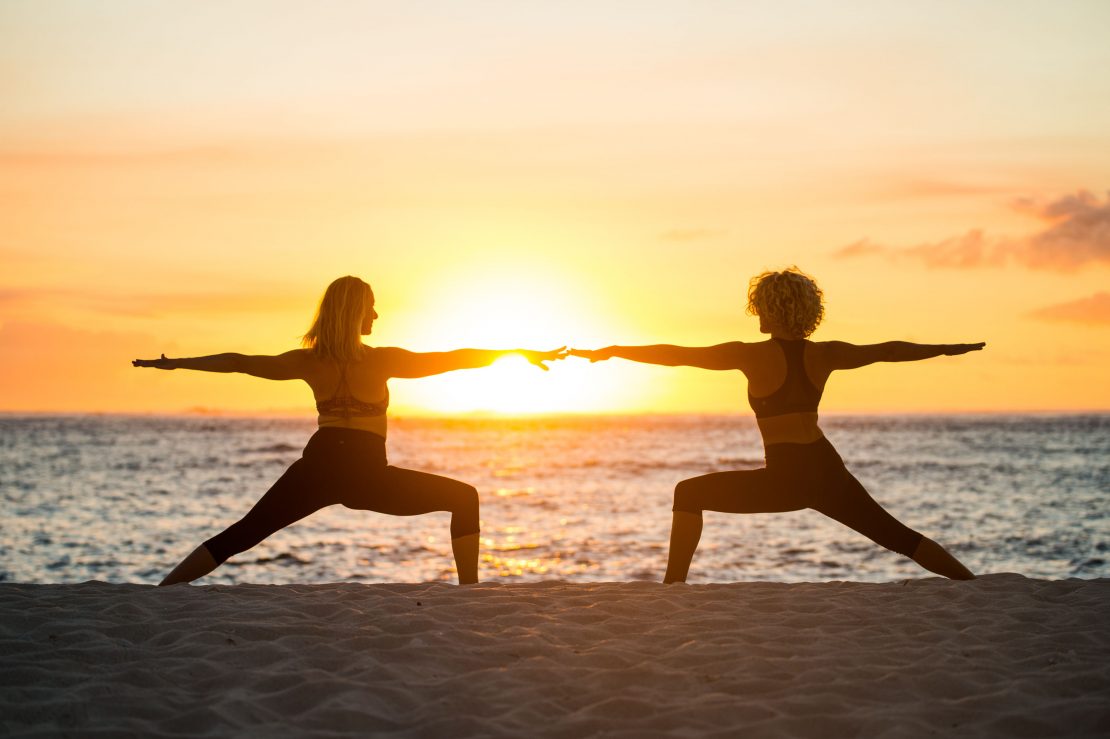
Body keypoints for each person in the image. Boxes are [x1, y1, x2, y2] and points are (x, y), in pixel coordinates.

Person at [134, 275, 564, 585]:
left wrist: (176, 363)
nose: (376, 313)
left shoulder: (309, 361)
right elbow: (454, 357)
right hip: (366, 476)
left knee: (243, 534)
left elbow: (239, 361)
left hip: (318, 466)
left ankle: (163, 592)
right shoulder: (381, 360)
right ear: (356, 310)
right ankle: (469, 594)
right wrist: (518, 352)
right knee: (464, 497)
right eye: (371, 305)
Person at [570, 267, 979, 582]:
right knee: (898, 538)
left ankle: (673, 587)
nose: (758, 316)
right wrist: (945, 349)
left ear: (771, 309)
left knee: (688, 493)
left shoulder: (750, 356)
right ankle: (973, 583)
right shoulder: (826, 354)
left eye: (761, 308)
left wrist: (615, 351)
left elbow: (678, 355)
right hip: (826, 468)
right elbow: (888, 351)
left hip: (786, 475)